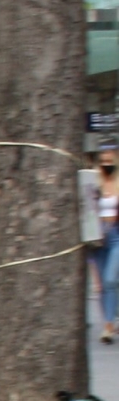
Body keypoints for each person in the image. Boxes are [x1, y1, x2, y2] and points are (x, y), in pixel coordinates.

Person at [93, 144, 119, 343]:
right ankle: (108, 325)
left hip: (115, 234)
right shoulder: (94, 182)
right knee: (102, 285)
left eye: (110, 161)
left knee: (111, 279)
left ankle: (110, 321)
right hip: (97, 236)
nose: (106, 165)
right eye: (103, 162)